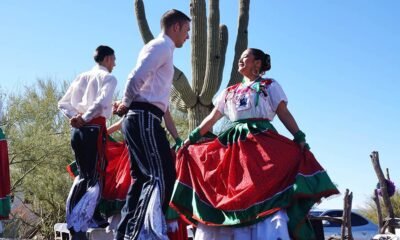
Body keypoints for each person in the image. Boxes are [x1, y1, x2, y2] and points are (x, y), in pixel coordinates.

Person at [170, 48, 340, 240]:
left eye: (245, 58)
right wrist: (191, 138)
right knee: (232, 191)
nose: (240, 61)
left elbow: (283, 113)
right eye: (240, 58)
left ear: (257, 63)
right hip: (233, 148)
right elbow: (211, 118)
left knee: (263, 188)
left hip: (263, 144)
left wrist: (299, 136)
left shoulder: (269, 86)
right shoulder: (229, 92)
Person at [114, 9, 191, 240]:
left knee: (142, 179)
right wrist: (126, 103)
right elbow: (135, 76)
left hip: (147, 117)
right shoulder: (160, 47)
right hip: (143, 117)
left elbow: (163, 105)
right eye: (186, 30)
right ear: (175, 27)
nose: (187, 36)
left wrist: (176, 138)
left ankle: (124, 233)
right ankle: (137, 234)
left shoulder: (164, 51)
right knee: (160, 176)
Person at [58, 45, 117, 240]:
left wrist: (75, 116)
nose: (115, 64)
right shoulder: (108, 78)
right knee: (95, 175)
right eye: (113, 60)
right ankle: (82, 220)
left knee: (83, 174)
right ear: (107, 59)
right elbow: (100, 102)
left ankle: (77, 217)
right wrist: (85, 118)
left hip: (77, 131)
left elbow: (63, 103)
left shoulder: (81, 77)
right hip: (94, 129)